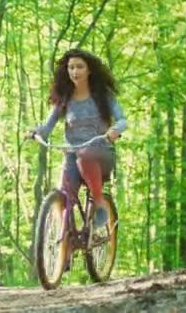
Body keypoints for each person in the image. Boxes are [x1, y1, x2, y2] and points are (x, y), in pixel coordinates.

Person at [30, 49, 127, 227]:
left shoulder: (103, 96)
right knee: (63, 199)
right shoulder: (64, 99)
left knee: (85, 154)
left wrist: (115, 130)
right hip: (73, 155)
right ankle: (63, 244)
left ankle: (99, 204)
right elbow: (47, 127)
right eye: (71, 67)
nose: (75, 72)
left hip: (101, 153)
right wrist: (36, 132)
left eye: (80, 67)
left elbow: (122, 120)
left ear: (89, 70)